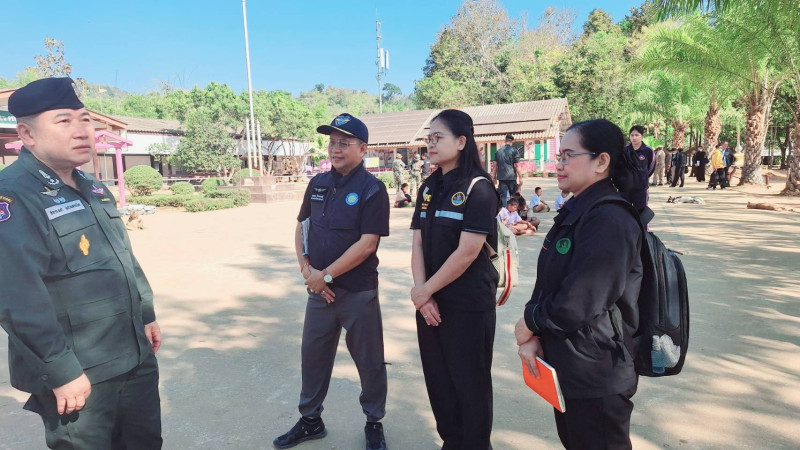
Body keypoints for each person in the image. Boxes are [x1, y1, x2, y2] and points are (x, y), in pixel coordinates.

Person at [0, 77, 163, 448]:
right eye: (63, 121)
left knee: (145, 442)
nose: (81, 130)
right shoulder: (13, 196)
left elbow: (123, 255)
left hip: (132, 354)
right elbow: (16, 298)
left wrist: (146, 313)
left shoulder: (93, 186)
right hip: (80, 372)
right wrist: (61, 371)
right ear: (27, 134)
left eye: (85, 119)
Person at [514, 118, 644, 450]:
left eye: (568, 156)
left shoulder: (609, 218)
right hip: (571, 366)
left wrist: (530, 322)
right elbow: (551, 283)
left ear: (601, 162)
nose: (559, 164)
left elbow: (580, 301)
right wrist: (536, 334)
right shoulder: (579, 211)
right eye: (559, 156)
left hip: (597, 372)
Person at [276, 113, 389, 450]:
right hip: (319, 291)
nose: (335, 149)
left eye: (344, 143)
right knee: (313, 356)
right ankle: (311, 421)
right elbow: (302, 226)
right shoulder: (318, 183)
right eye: (332, 142)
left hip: (358, 293)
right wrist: (307, 271)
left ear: (363, 149)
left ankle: (373, 422)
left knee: (369, 361)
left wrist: (324, 276)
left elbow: (367, 244)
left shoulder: (372, 189)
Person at [410, 109, 500, 449]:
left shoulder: (479, 188)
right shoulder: (429, 186)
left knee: (470, 386)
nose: (430, 144)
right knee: (440, 384)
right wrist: (423, 295)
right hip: (431, 306)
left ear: (462, 142)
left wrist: (425, 291)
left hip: (467, 306)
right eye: (428, 138)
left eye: (438, 137)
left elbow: (467, 252)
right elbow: (418, 243)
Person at [621, 125, 655, 212]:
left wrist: (642, 176)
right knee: (624, 212)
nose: (634, 138)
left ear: (642, 136)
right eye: (632, 135)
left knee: (641, 213)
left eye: (637, 135)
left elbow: (651, 167)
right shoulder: (624, 150)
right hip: (625, 188)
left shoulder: (648, 150)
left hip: (641, 188)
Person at [492, 134, 521, 206]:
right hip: (511, 177)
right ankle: (513, 211)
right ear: (512, 142)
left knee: (503, 197)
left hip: (501, 178)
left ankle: (504, 211)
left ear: (505, 141)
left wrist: (494, 178)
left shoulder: (498, 152)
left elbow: (495, 166)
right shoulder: (514, 151)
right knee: (513, 196)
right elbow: (517, 165)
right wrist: (520, 178)